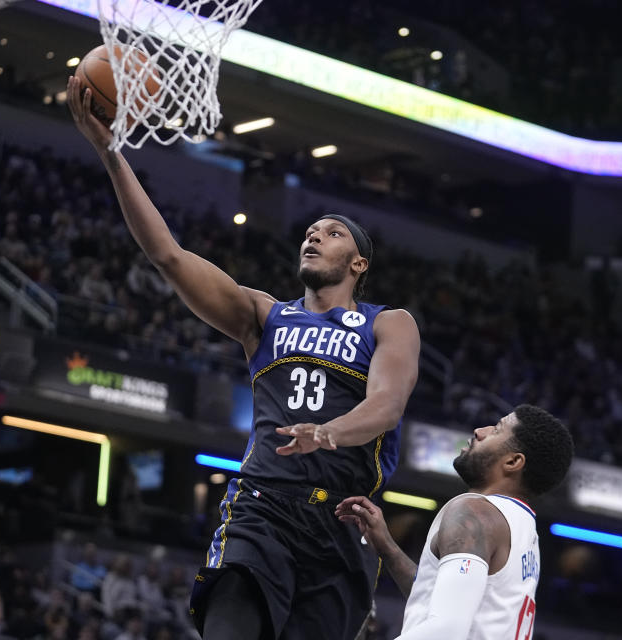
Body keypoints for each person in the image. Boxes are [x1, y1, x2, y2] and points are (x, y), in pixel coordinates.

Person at [67, 76, 421, 640]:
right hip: (263, 506)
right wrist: (110, 153)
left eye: (331, 234)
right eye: (309, 231)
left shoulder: (388, 322)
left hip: (342, 521)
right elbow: (167, 255)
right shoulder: (264, 315)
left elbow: (386, 403)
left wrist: (325, 434)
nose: (314, 237)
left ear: (358, 264)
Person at [336, 405, 574, 639]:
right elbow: (441, 601)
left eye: (497, 429)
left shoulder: (474, 512)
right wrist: (388, 549)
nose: (480, 431)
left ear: (513, 462)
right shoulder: (524, 528)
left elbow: (447, 630)